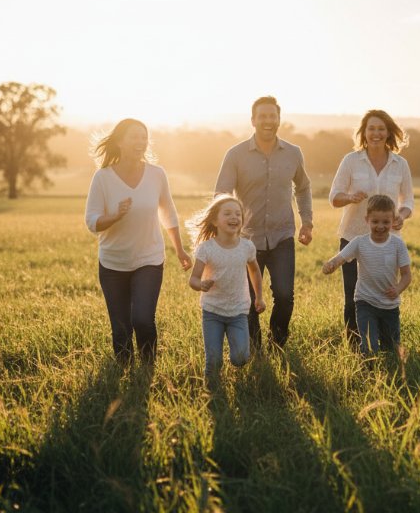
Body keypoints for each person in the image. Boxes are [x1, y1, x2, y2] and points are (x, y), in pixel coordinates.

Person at [84, 118, 193, 366]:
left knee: (143, 319)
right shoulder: (102, 178)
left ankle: (147, 371)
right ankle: (123, 374)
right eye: (134, 136)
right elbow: (91, 222)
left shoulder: (157, 174)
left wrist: (179, 249)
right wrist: (114, 216)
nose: (140, 142)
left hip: (149, 259)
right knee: (121, 329)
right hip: (113, 263)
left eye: (144, 137)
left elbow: (168, 213)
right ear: (120, 142)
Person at [215, 96, 313, 350]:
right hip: (245, 240)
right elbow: (221, 194)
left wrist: (307, 222)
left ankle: (277, 343)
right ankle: (255, 349)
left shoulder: (293, 153)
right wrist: (225, 227)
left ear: (279, 119)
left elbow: (303, 187)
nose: (268, 121)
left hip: (282, 236)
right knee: (247, 300)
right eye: (263, 116)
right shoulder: (235, 155)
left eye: (273, 116)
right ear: (253, 120)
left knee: (284, 296)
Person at [329, 109, 414, 347]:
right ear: (364, 133)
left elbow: (407, 201)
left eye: (381, 129)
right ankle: (356, 346)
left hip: (387, 242)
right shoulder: (351, 160)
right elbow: (334, 197)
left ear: (388, 133)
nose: (376, 133)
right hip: (353, 237)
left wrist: (402, 216)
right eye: (371, 129)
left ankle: (386, 343)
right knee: (353, 296)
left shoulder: (400, 164)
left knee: (385, 292)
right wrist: (350, 197)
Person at [186, 194, 265, 381]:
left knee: (240, 358)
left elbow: (255, 271)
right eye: (227, 213)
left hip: (238, 312)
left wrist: (259, 297)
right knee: (213, 361)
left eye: (238, 214)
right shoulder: (207, 249)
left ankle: (235, 353)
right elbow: (193, 279)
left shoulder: (247, 247)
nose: (234, 217)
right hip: (212, 312)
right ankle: (212, 392)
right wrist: (201, 284)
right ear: (215, 220)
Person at [322, 195, 412, 357]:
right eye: (375, 221)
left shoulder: (397, 245)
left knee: (390, 349)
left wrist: (398, 289)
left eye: (386, 222)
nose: (380, 226)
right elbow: (340, 258)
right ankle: (368, 371)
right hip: (365, 302)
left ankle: (390, 373)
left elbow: (406, 275)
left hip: (389, 306)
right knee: (369, 346)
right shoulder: (359, 242)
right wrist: (331, 264)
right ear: (367, 220)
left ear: (393, 221)